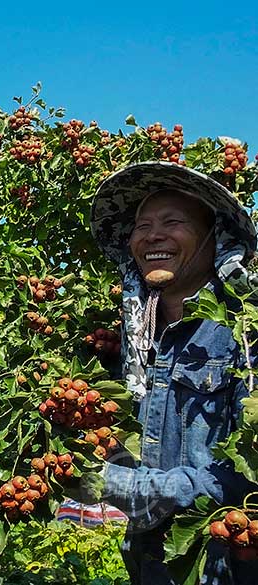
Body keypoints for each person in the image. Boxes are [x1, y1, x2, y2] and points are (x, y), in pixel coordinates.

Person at [80, 160, 258, 584]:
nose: (153, 235)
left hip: (224, 568)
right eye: (142, 226)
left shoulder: (246, 334)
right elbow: (127, 439)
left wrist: (113, 485)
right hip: (147, 564)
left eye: (173, 222)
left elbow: (243, 477)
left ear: (216, 239)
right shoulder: (133, 340)